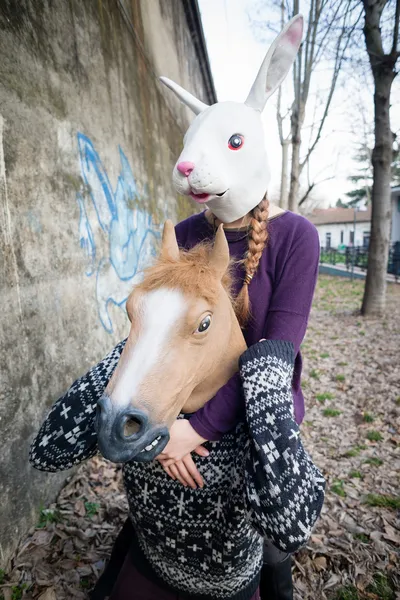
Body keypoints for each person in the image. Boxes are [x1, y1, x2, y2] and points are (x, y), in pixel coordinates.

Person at [30, 16, 324, 600]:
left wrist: (195, 431)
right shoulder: (188, 231)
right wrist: (165, 422)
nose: (189, 162)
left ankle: (272, 569)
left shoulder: (297, 238)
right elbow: (165, 326)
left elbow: (277, 350)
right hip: (183, 385)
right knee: (148, 510)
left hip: (253, 397)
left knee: (269, 533)